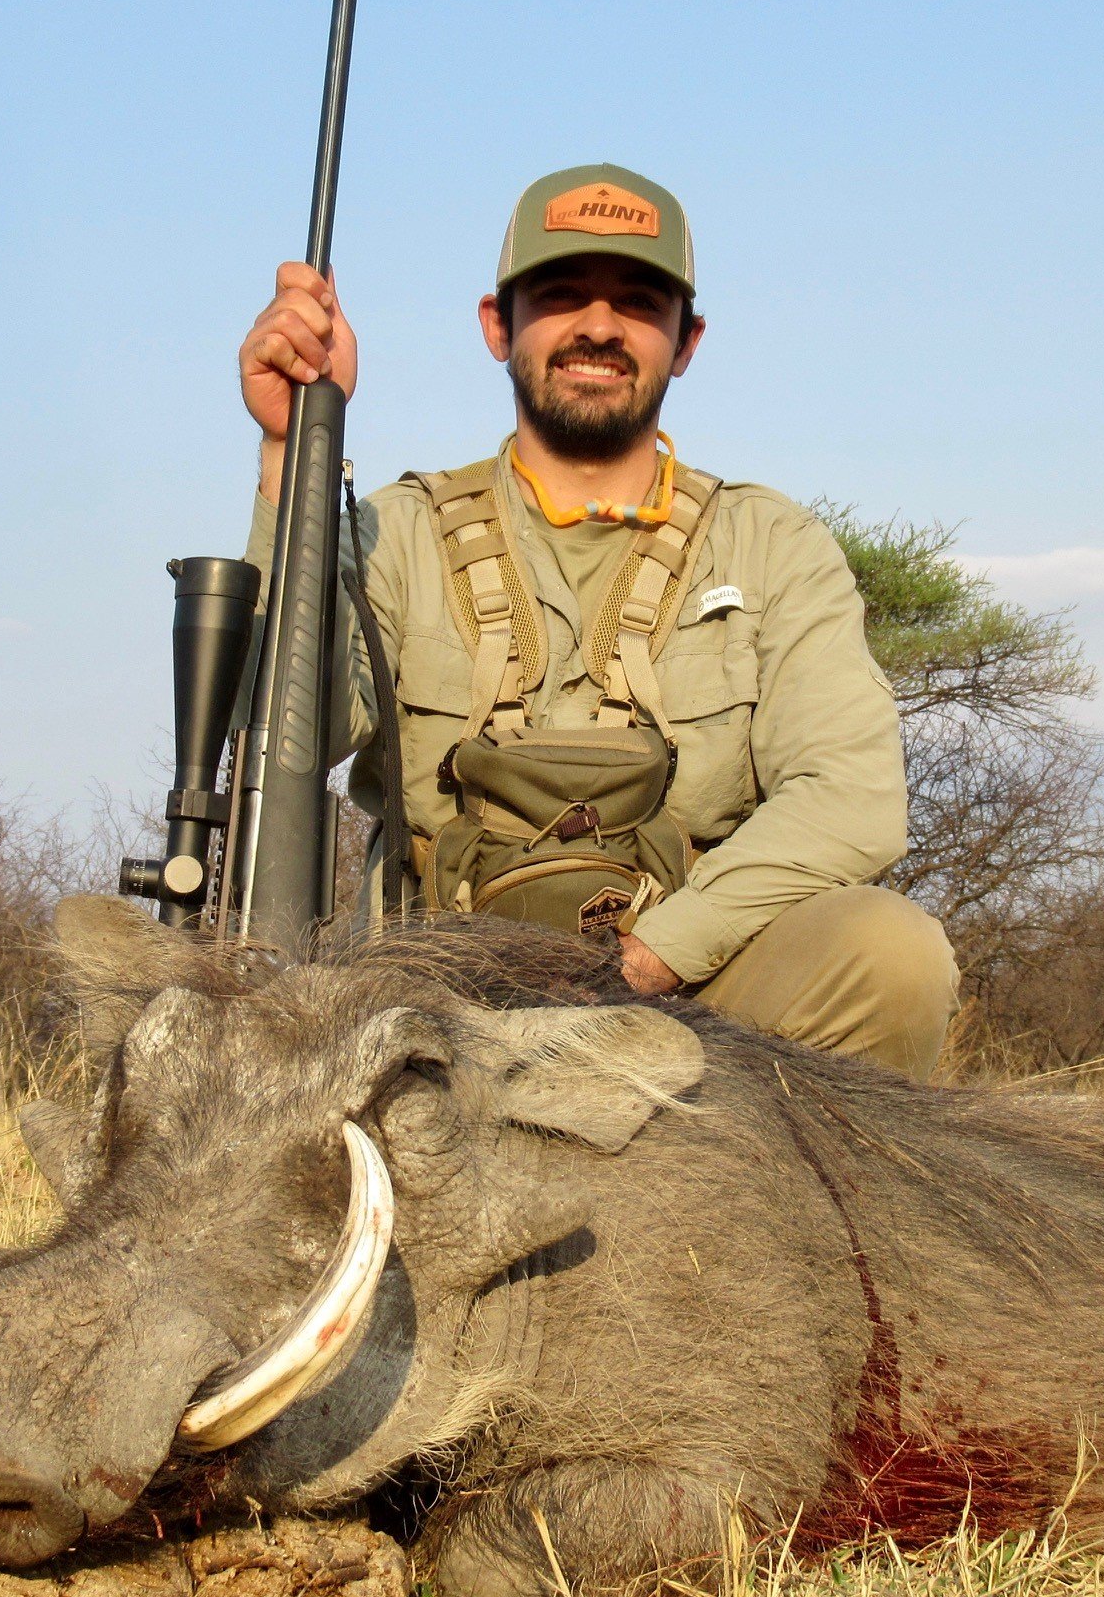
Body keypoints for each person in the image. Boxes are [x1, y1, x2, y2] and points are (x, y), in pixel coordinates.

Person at [236, 163, 957, 1079]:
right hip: (430, 1004)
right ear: (498, 326)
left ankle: (789, 1216)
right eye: (562, 293)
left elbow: (853, 800)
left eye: (639, 302)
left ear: (686, 340)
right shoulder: (392, 528)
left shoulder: (773, 541)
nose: (600, 326)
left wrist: (656, 953)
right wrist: (291, 450)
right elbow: (289, 735)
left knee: (892, 956)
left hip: (696, 1002)